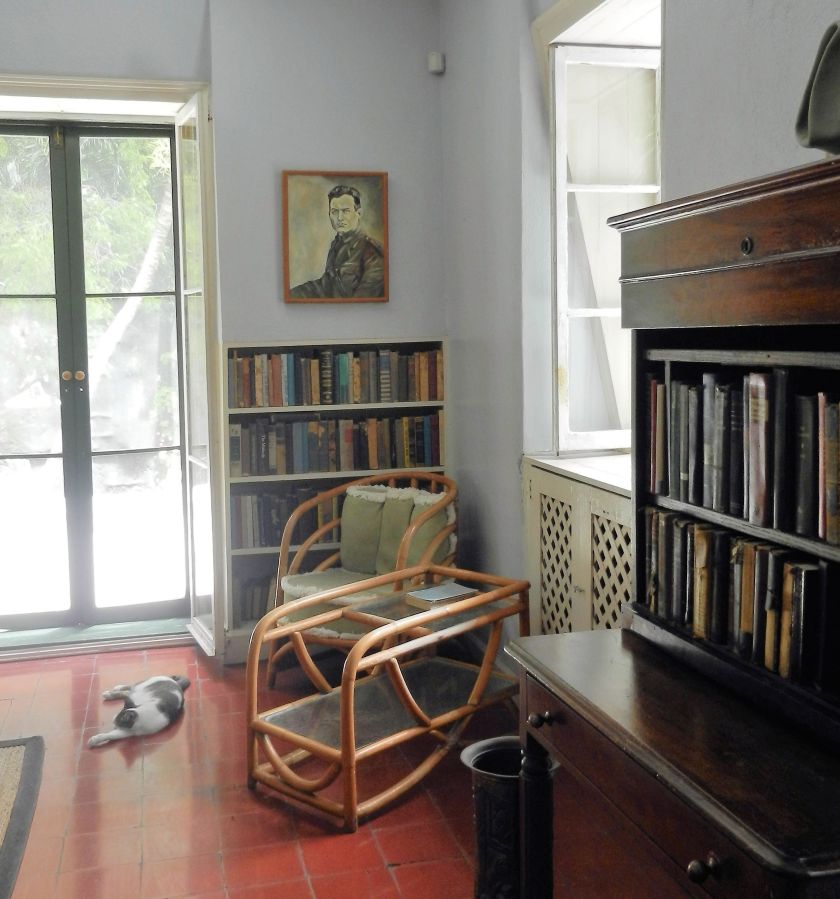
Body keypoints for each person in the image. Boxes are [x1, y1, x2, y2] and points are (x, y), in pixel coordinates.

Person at [290, 185, 385, 299]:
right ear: (329, 214)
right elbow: (325, 286)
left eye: (346, 211)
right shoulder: (336, 246)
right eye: (334, 211)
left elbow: (363, 301)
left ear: (358, 213)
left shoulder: (372, 252)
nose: (339, 218)